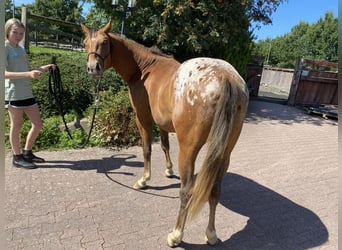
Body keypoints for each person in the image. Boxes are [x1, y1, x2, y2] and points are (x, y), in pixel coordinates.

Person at [5, 18, 55, 169]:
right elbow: (4, 73)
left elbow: (26, 70)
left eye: (21, 33)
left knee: (38, 124)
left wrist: (44, 68)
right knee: (17, 125)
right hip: (13, 94)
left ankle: (27, 152)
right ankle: (17, 157)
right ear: (7, 31)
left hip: (27, 92)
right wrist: (28, 74)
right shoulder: (4, 48)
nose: (18, 36)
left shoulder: (20, 49)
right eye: (15, 32)